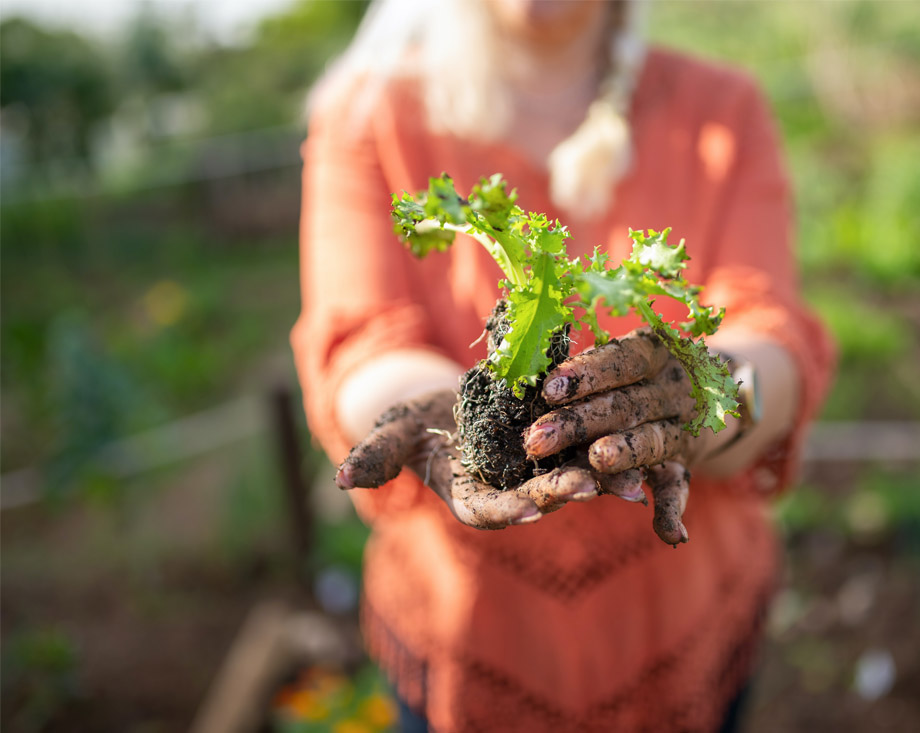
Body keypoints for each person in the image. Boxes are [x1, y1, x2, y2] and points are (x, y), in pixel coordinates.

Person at [291, 1, 834, 730]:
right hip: (464, 633)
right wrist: (442, 410)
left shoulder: (721, 112)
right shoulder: (367, 115)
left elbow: (768, 333)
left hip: (689, 625)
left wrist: (702, 400)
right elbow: (362, 342)